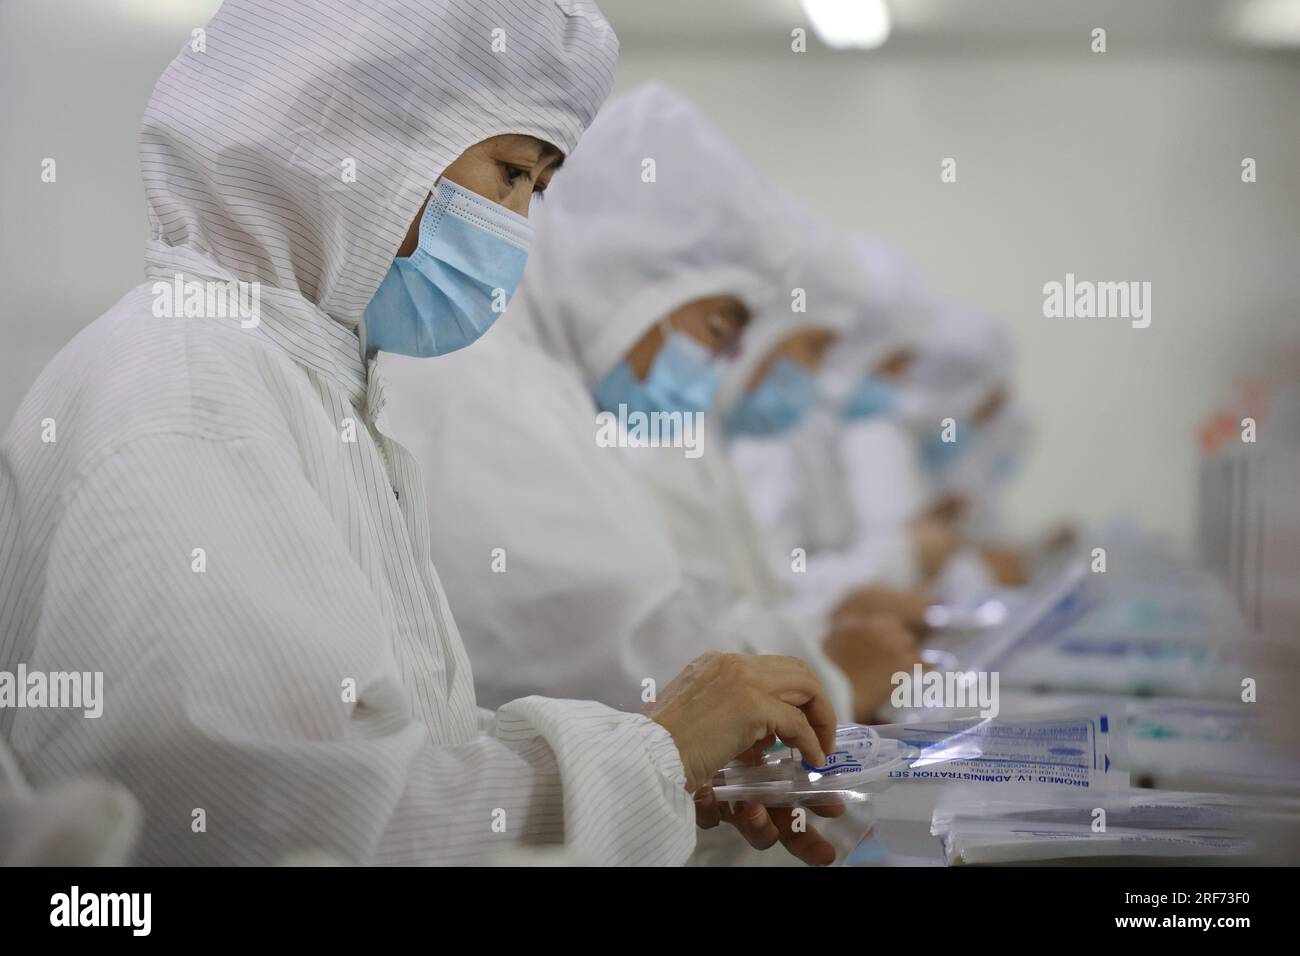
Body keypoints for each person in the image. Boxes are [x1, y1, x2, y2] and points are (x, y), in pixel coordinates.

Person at [0, 0, 838, 866]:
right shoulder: (187, 395)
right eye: (510, 172)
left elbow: (404, 751)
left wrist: (661, 766)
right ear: (350, 141)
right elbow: (284, 825)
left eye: (538, 191)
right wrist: (651, 754)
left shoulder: (309, 382)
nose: (517, 228)